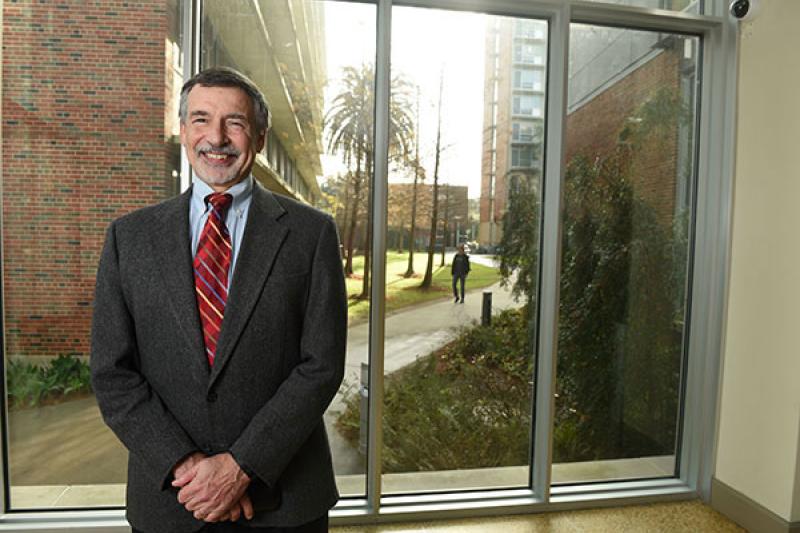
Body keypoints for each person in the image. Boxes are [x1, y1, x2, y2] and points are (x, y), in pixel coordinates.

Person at [90, 67, 346, 533]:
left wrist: (240, 468)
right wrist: (189, 469)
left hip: (285, 502)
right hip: (172, 499)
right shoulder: (129, 238)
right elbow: (112, 372)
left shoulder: (312, 234)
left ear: (260, 137)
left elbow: (321, 366)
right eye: (202, 120)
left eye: (236, 123)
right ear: (184, 131)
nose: (217, 138)